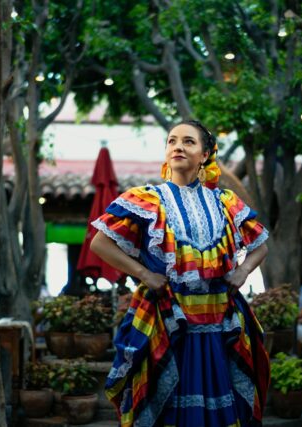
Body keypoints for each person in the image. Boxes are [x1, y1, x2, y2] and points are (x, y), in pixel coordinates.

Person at [90, 120, 270, 427]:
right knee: (168, 403)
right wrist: (144, 274)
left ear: (205, 155)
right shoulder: (146, 199)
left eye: (188, 142)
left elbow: (261, 244)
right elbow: (100, 243)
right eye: (172, 141)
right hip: (166, 321)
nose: (178, 146)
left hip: (218, 324)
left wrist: (243, 272)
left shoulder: (225, 201)